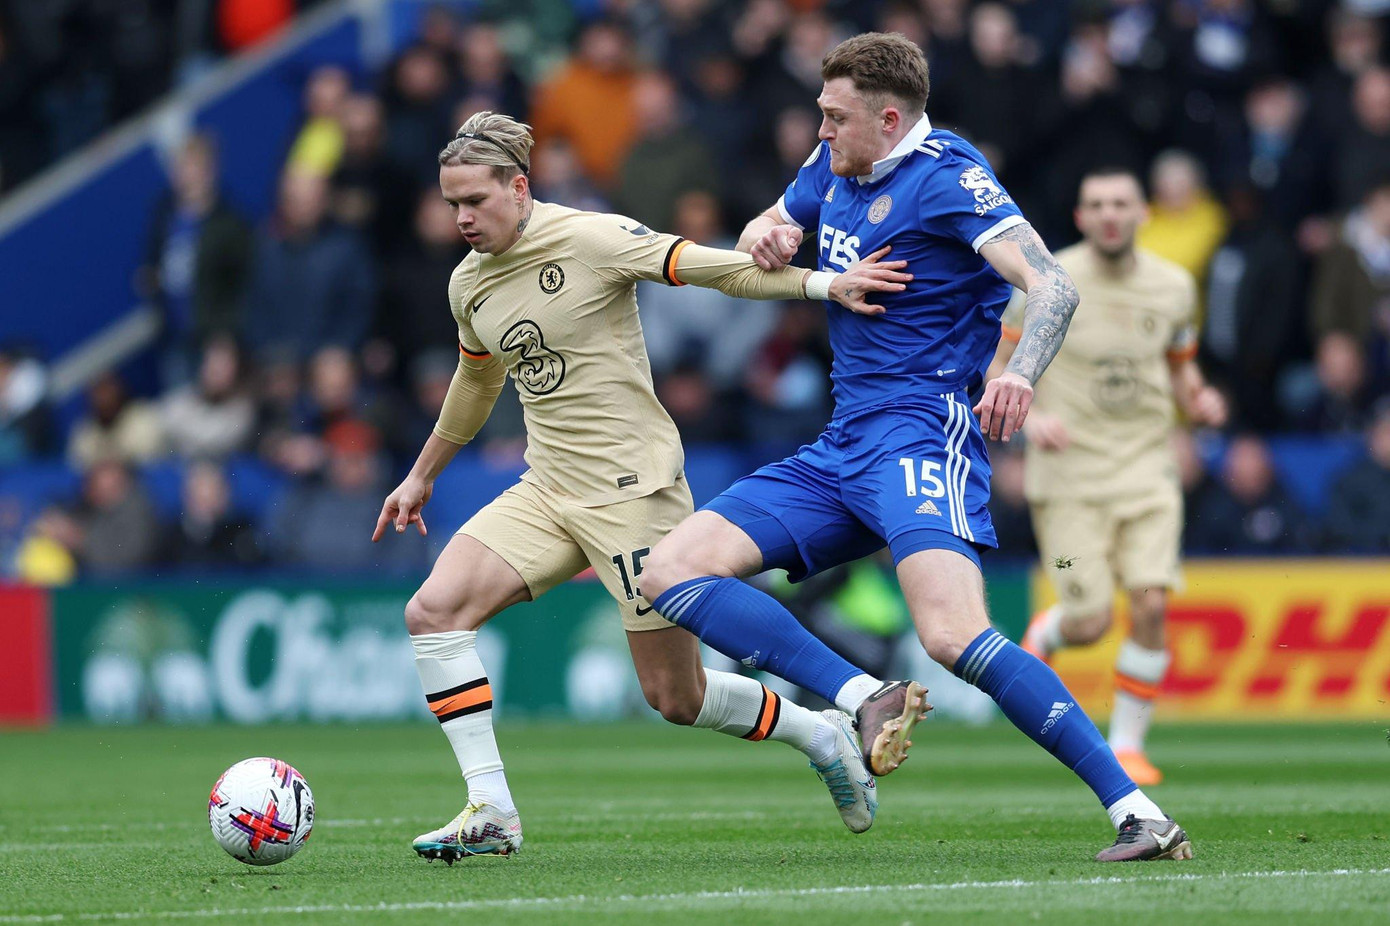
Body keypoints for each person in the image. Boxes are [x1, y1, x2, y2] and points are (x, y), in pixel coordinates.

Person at [637, 32, 1192, 863]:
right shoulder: (834, 165)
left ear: (888, 118)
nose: (819, 132)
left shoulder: (947, 178)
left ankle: (1138, 812)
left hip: (921, 434)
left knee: (953, 636)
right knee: (669, 573)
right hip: (841, 442)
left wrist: (1022, 374)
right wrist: (767, 236)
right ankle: (865, 695)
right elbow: (772, 221)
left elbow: (1053, 284)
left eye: (835, 117)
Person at [374, 111, 923, 862]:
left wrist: (825, 284)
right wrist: (421, 475)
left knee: (677, 698)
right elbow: (477, 381)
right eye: (452, 204)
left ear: (519, 186)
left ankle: (819, 731)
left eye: (475, 200)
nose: (462, 218)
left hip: (634, 490)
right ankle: (491, 808)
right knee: (433, 612)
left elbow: (712, 267)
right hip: (549, 488)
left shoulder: (590, 239)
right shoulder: (467, 283)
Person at [991, 167, 1227, 787]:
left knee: (1151, 601)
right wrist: (1031, 413)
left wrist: (1199, 400)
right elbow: (997, 360)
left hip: (1149, 468)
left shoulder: (1174, 286)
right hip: (1068, 476)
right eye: (1096, 204)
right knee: (1090, 617)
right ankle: (1049, 630)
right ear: (1080, 217)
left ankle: (1127, 746)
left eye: (1121, 203)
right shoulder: (1047, 279)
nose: (1110, 214)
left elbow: (1181, 365)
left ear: (1143, 213)